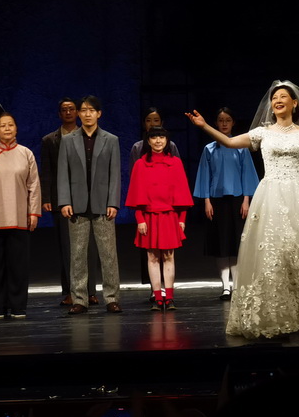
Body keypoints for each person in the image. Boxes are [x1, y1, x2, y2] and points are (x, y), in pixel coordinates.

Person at [187, 80, 299, 338]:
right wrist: (204, 126)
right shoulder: (263, 132)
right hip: (270, 195)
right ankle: (275, 314)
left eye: (284, 96)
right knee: (273, 254)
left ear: (295, 103)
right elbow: (229, 143)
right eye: (275, 97)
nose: (278, 100)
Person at [57, 95, 123, 315]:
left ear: (99, 113)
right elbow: (62, 174)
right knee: (77, 254)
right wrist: (65, 201)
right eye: (83, 110)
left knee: (108, 254)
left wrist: (113, 202)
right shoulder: (68, 140)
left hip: (103, 205)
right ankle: (80, 298)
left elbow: (115, 174)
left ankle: (112, 297)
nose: (86, 114)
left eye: (91, 110)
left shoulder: (110, 139)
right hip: (76, 205)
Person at [0, 112, 42, 319]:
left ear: (16, 128)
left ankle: (18, 305)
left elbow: (34, 185)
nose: (7, 128)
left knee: (18, 264)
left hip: (20, 217)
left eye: (11, 125)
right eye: (3, 126)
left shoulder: (26, 154)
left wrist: (33, 213)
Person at [192, 107, 259, 300]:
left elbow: (247, 174)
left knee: (236, 244)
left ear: (233, 123)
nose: (224, 123)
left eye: (227, 120)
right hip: (217, 201)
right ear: (216, 123)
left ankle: (237, 285)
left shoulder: (241, 148)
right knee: (221, 244)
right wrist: (206, 201)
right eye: (220, 120)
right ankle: (225, 287)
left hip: (238, 200)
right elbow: (205, 175)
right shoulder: (209, 149)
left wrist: (247, 200)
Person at [40, 98, 99, 307]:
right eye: (64, 109)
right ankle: (71, 292)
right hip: (61, 200)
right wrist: (46, 198)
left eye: (71, 109)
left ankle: (91, 291)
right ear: (59, 114)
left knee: (88, 247)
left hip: (87, 199)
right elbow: (46, 171)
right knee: (67, 248)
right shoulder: (50, 140)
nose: (68, 112)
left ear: (78, 113)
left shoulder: (88, 136)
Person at [126, 126, 194, 311]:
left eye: (161, 137)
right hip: (148, 216)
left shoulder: (176, 163)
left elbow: (182, 194)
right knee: (152, 256)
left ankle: (169, 297)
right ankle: (157, 298)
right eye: (154, 137)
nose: (158, 141)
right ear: (148, 141)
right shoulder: (140, 164)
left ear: (167, 141)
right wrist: (140, 218)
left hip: (170, 215)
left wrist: (182, 219)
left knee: (169, 255)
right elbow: (136, 193)